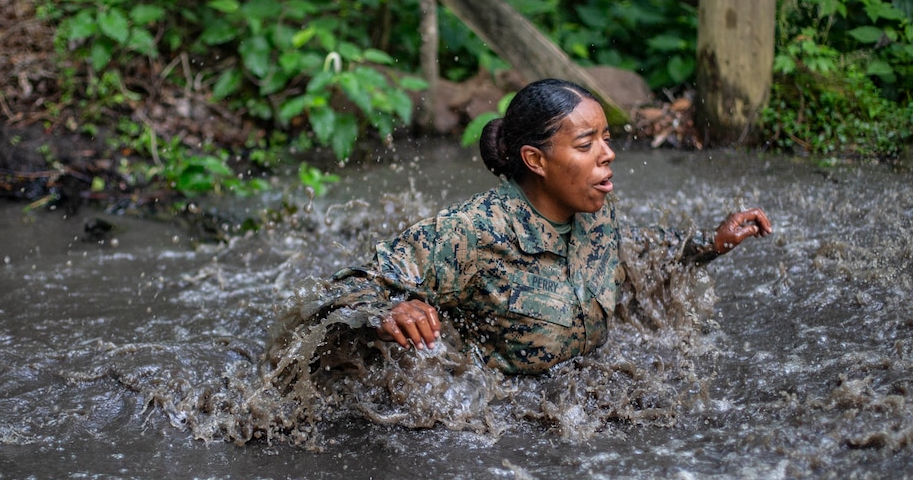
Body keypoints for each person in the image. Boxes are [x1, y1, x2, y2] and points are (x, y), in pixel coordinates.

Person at [326, 78, 772, 375]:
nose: (607, 153)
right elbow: (350, 286)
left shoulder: (596, 209)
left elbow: (631, 250)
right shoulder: (472, 232)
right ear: (536, 160)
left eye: (606, 138)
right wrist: (391, 311)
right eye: (586, 143)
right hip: (502, 432)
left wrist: (708, 244)